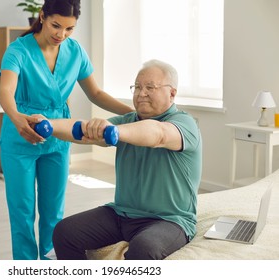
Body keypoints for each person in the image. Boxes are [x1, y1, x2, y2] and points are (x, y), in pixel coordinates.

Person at [0, 0, 133, 260]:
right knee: (22, 212)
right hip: (21, 138)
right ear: (42, 17)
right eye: (56, 25)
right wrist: (17, 120)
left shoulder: (75, 52)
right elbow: (6, 94)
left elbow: (96, 93)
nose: (61, 34)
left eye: (70, 28)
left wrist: (131, 114)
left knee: (53, 211)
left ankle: (51, 265)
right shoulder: (18, 50)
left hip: (59, 138)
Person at [48, 59, 202, 259]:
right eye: (137, 87)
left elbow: (158, 134)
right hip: (121, 214)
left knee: (144, 247)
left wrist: (114, 131)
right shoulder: (128, 121)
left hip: (169, 220)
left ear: (172, 93)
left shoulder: (184, 123)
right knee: (64, 232)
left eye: (150, 87)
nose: (141, 93)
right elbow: (82, 131)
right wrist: (49, 125)